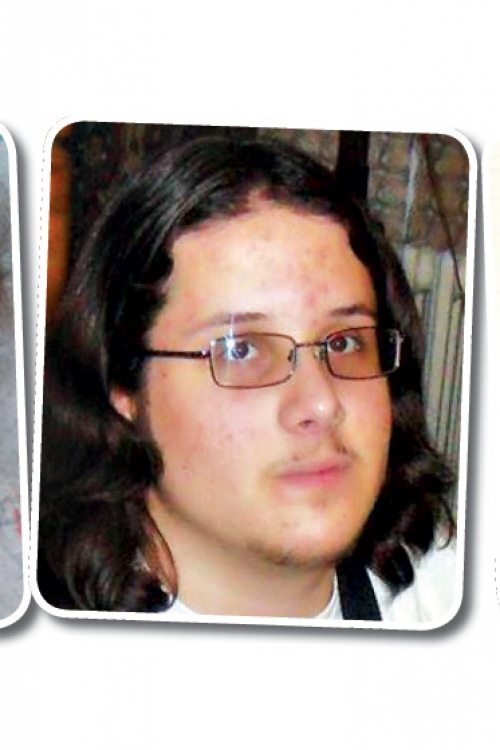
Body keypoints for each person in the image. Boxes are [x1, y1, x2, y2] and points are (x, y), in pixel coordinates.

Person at [37, 135, 457, 623]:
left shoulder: (445, 593)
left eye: (345, 342)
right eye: (242, 349)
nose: (321, 403)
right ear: (124, 388)